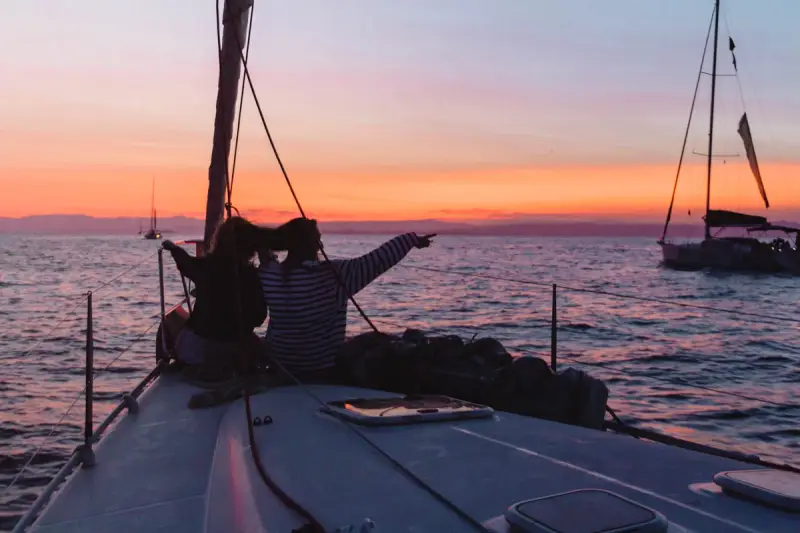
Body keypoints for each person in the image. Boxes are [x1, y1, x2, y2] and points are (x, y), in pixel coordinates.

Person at [258, 217, 434, 382]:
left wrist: (265, 253)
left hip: (281, 367)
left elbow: (267, 259)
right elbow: (377, 260)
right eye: (318, 240)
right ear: (315, 244)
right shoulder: (333, 275)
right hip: (321, 370)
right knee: (378, 340)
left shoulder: (269, 275)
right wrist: (411, 240)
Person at [163, 216, 273, 375]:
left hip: (193, 349)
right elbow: (258, 317)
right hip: (232, 351)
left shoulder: (204, 267)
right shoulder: (251, 276)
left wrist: (174, 249)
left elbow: (185, 263)